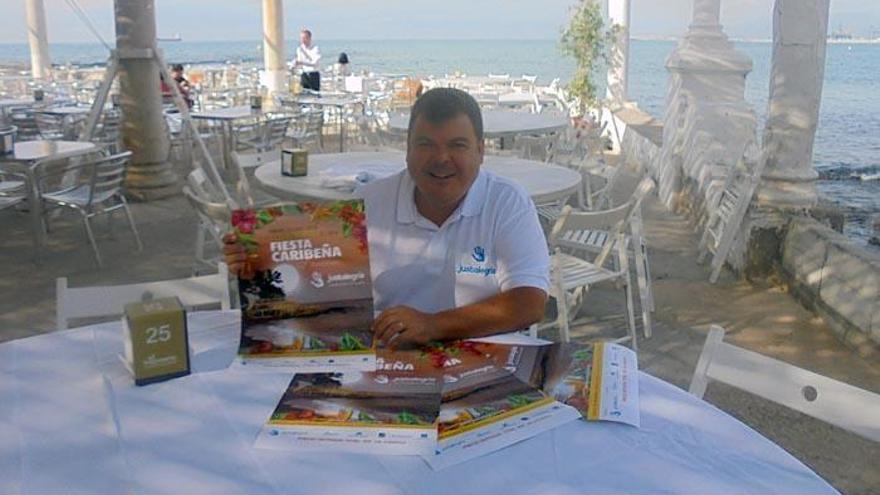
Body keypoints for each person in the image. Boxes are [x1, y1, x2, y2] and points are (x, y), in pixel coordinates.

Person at [225, 88, 549, 348]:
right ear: (407, 149)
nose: (441, 158)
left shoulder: (507, 202)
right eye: (425, 144)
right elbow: (318, 283)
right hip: (388, 357)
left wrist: (432, 325)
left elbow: (529, 304)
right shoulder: (368, 203)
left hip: (482, 355)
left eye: (457, 145)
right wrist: (258, 262)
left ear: (480, 150)